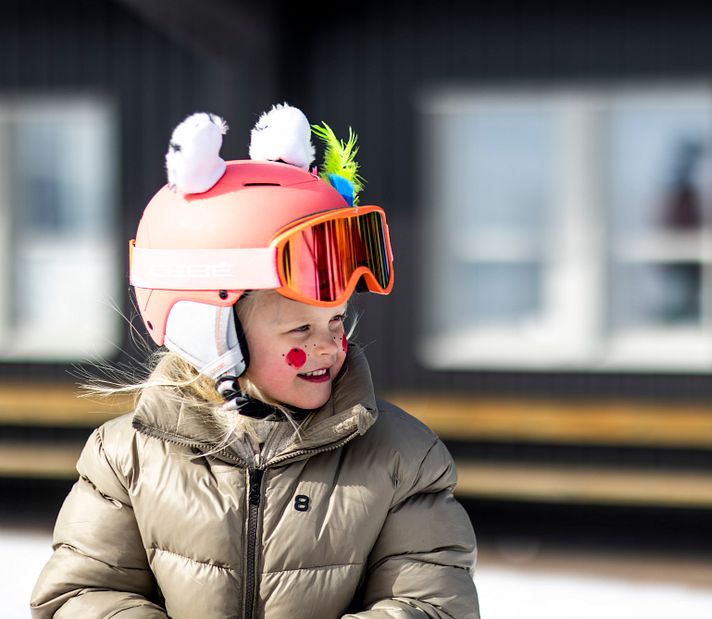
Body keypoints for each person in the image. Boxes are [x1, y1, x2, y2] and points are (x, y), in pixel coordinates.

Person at [30, 104, 480, 618]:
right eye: (300, 329)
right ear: (209, 333)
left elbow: (433, 605)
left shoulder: (401, 457)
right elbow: (80, 595)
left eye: (337, 321)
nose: (330, 346)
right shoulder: (128, 457)